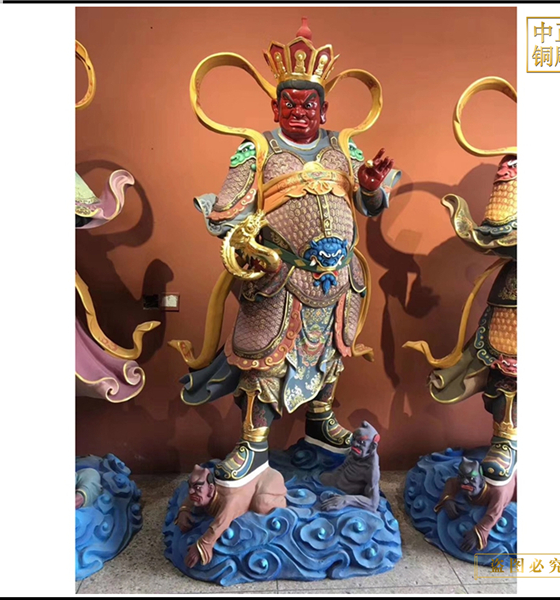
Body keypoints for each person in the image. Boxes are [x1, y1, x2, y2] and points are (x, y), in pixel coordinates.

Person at [174, 18, 401, 487]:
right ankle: (253, 442)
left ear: (324, 108)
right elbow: (229, 211)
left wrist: (370, 187)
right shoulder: (257, 149)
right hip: (279, 277)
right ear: (275, 107)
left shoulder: (343, 147)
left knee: (331, 351)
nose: (299, 112)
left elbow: (371, 205)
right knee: (266, 360)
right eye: (290, 104)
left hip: (339, 278)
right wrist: (250, 247)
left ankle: (321, 421)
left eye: (309, 104)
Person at [176, 464, 287, 567]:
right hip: (244, 474)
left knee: (262, 504)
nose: (191, 491)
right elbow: (193, 496)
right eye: (190, 486)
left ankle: (280, 501)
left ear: (211, 489)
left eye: (197, 488)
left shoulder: (229, 500)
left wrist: (201, 546)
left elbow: (220, 523)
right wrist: (184, 509)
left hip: (266, 479)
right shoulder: (204, 489)